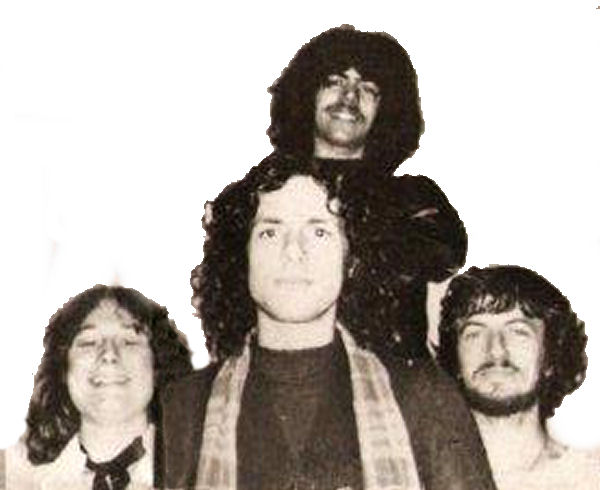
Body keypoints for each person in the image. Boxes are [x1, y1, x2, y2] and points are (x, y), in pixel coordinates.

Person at [162, 153, 496, 490]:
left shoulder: (426, 399)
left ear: (351, 258)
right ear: (243, 255)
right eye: (270, 232)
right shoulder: (182, 409)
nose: (294, 251)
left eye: (319, 231)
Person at [268, 26, 466, 359]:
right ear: (306, 94)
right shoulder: (262, 196)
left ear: (387, 110)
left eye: (368, 89)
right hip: (286, 378)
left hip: (391, 382)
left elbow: (442, 268)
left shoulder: (414, 200)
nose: (349, 97)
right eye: (334, 82)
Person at [6, 285, 192, 490]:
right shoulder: (14, 478)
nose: (109, 354)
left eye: (129, 341)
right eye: (89, 342)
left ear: (158, 364)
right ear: (63, 368)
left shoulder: (199, 469)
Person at [437, 265, 599, 489]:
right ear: (456, 360)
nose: (496, 350)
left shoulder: (590, 478)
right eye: (475, 333)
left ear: (550, 357)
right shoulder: (415, 477)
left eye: (518, 332)